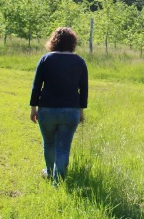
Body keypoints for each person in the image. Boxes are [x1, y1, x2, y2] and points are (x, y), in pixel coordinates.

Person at [29, 27, 88, 183]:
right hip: (70, 111)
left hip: (46, 110)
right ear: (73, 43)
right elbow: (84, 89)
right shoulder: (80, 62)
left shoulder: (46, 59)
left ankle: (49, 173)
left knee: (49, 143)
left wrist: (33, 108)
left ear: (53, 41)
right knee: (63, 149)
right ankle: (58, 182)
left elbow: (36, 86)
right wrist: (81, 111)